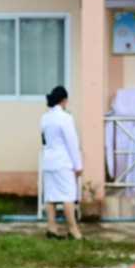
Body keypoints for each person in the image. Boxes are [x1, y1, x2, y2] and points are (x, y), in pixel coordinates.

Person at [40, 85, 84, 240]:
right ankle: (73, 231)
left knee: (50, 196)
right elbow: (72, 143)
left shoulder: (45, 118)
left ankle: (52, 229)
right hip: (62, 162)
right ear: (64, 100)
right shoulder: (65, 118)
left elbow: (44, 140)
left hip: (48, 161)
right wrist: (78, 165)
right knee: (68, 196)